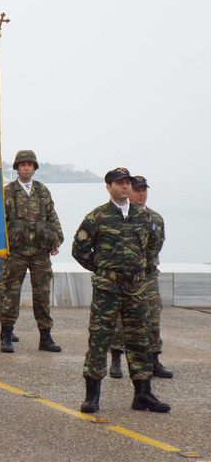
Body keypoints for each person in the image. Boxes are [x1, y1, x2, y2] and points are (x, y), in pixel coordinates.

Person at [73, 167, 170, 414]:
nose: (125, 187)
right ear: (109, 187)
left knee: (140, 340)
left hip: (137, 289)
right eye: (119, 183)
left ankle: (143, 394)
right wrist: (103, 269)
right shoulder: (97, 217)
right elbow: (80, 249)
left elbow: (152, 247)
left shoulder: (144, 217)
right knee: (99, 340)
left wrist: (138, 268)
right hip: (108, 289)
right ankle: (92, 396)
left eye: (127, 182)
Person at [0, 150, 63, 353]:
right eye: (22, 164)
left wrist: (56, 240)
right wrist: (1, 247)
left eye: (30, 164)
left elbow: (52, 217)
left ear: (34, 168)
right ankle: (6, 334)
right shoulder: (8, 191)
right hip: (15, 252)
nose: (26, 167)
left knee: (42, 295)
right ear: (17, 167)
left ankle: (45, 337)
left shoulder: (43, 191)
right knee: (10, 294)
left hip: (40, 253)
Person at [108, 176, 172, 379]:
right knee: (120, 319)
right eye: (138, 190)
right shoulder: (120, 216)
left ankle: (154, 360)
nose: (141, 193)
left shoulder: (155, 218)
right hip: (125, 277)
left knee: (153, 317)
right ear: (130, 192)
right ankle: (117, 359)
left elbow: (156, 245)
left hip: (148, 275)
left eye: (144, 190)